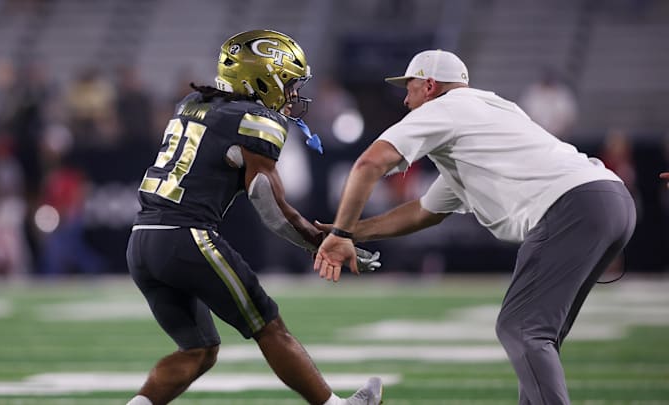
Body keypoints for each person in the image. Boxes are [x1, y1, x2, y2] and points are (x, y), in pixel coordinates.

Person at [313, 49, 636, 404]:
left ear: (431, 86)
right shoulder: (486, 117)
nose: (406, 100)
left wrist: (341, 235)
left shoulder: (445, 109)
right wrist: (348, 230)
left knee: (522, 329)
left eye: (411, 87)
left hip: (572, 206)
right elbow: (424, 212)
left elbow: (368, 164)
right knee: (537, 337)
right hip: (610, 200)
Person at [125, 30, 382, 405]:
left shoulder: (193, 103)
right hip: (186, 236)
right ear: (262, 78)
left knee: (198, 350)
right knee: (268, 326)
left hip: (142, 240)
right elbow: (271, 206)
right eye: (289, 84)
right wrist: (322, 242)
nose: (293, 94)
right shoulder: (254, 120)